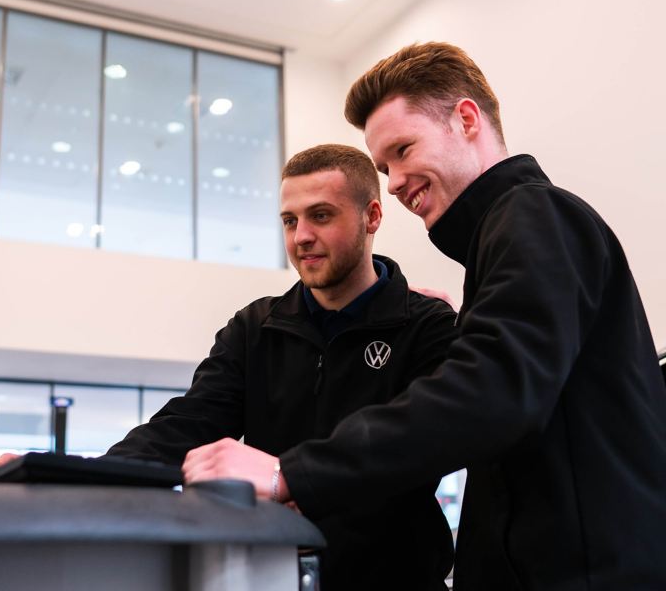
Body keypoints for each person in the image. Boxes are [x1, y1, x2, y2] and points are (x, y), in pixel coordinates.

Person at [185, 43, 666, 590]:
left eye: (403, 150)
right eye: (385, 165)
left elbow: (489, 392)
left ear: (465, 120)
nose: (392, 180)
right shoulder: (503, 239)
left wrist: (288, 472)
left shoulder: (533, 214)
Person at [0, 144, 458, 591]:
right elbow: (185, 426)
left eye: (321, 216)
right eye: (289, 221)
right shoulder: (256, 326)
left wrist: (296, 478)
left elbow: (420, 445)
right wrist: (64, 476)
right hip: (271, 577)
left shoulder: (427, 326)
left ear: (372, 216)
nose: (301, 237)